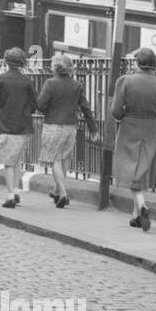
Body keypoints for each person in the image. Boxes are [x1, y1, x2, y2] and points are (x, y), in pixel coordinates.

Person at [112, 47, 156, 232]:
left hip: (129, 126)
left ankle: (142, 206)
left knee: (132, 171)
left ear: (137, 62)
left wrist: (126, 115)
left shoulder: (125, 81)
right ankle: (136, 216)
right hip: (151, 129)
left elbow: (115, 110)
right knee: (142, 169)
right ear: (154, 64)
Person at [35, 53, 98, 209]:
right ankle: (57, 190)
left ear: (55, 67)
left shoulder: (50, 83)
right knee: (63, 158)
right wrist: (93, 129)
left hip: (53, 126)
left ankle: (63, 193)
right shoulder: (77, 85)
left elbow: (41, 105)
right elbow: (86, 108)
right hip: (70, 127)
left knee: (54, 159)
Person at [0, 46, 38, 209]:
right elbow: (34, 105)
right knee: (16, 161)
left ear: (6, 62)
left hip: (4, 125)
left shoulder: (0, 79)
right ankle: (16, 191)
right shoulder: (27, 81)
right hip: (22, 126)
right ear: (22, 63)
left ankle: (10, 196)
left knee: (8, 163)